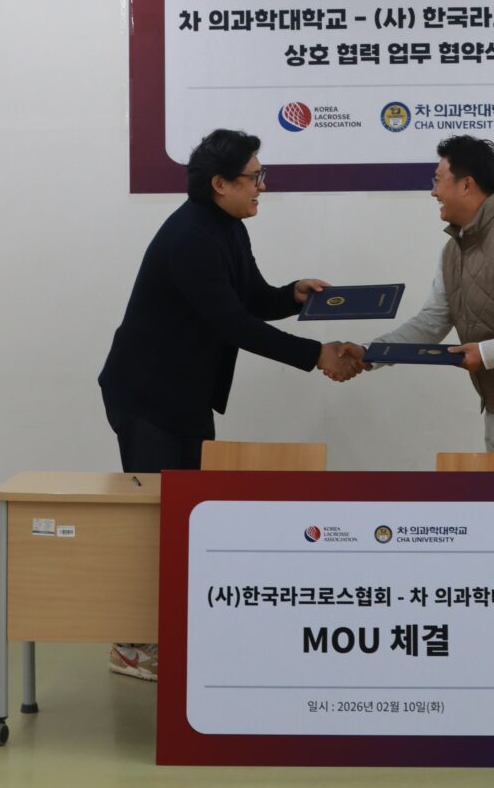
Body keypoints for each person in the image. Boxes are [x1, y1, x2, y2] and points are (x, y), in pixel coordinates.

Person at [99, 128, 361, 679]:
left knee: (189, 514)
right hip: (147, 395)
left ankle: (174, 629)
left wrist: (293, 294)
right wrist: (316, 355)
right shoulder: (190, 237)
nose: (262, 186)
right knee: (158, 518)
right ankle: (130, 644)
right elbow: (232, 324)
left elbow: (248, 299)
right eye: (254, 177)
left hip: (186, 395)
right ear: (220, 183)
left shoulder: (227, 226)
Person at [347, 135, 494, 467]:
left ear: (466, 185)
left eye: (438, 180)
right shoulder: (454, 250)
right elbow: (431, 321)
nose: (433, 192)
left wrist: (488, 353)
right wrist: (369, 353)